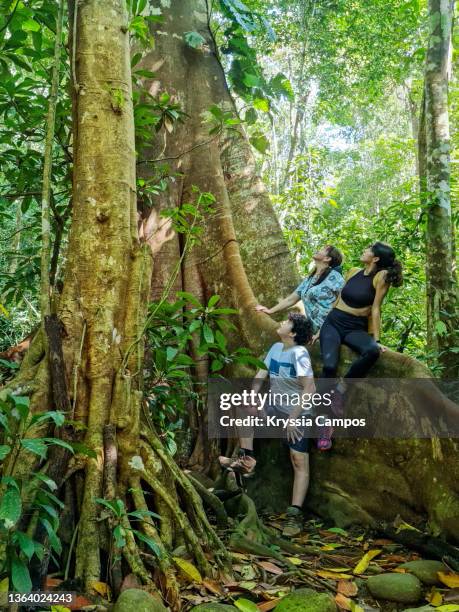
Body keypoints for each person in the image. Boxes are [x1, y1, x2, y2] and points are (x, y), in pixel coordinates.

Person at [219, 313, 315, 537]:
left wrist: (293, 418)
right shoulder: (275, 348)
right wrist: (254, 396)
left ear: (293, 333)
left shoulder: (300, 354)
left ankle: (294, 514)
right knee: (243, 406)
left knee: (298, 460)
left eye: (287, 322)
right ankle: (247, 459)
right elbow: (260, 375)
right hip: (274, 408)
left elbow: (310, 390)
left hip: (298, 413)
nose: (281, 323)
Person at [317, 241, 403, 450]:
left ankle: (341, 389)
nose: (364, 250)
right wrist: (320, 330)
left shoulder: (380, 277)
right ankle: (324, 427)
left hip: (355, 328)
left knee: (372, 351)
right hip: (334, 323)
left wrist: (377, 339)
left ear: (375, 259)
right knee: (329, 367)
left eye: (368, 250)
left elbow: (376, 309)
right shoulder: (353, 271)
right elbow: (337, 300)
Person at [254, 245, 345, 336]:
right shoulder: (310, 279)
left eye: (322, 249)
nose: (318, 250)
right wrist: (270, 311)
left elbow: (344, 302)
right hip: (313, 330)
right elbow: (292, 299)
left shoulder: (335, 277)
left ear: (327, 258)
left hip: (330, 329)